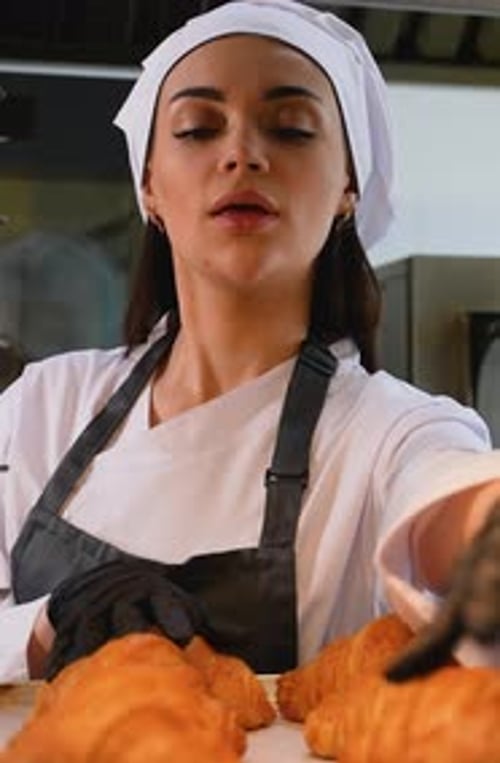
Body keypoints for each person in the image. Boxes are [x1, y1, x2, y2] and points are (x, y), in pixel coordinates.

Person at [0, 0, 499, 684]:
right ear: (149, 186)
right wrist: (46, 625)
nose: (241, 153)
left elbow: (451, 490)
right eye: (197, 128)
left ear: (348, 186)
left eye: (291, 129)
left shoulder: (386, 431)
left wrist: (482, 526)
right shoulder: (44, 408)